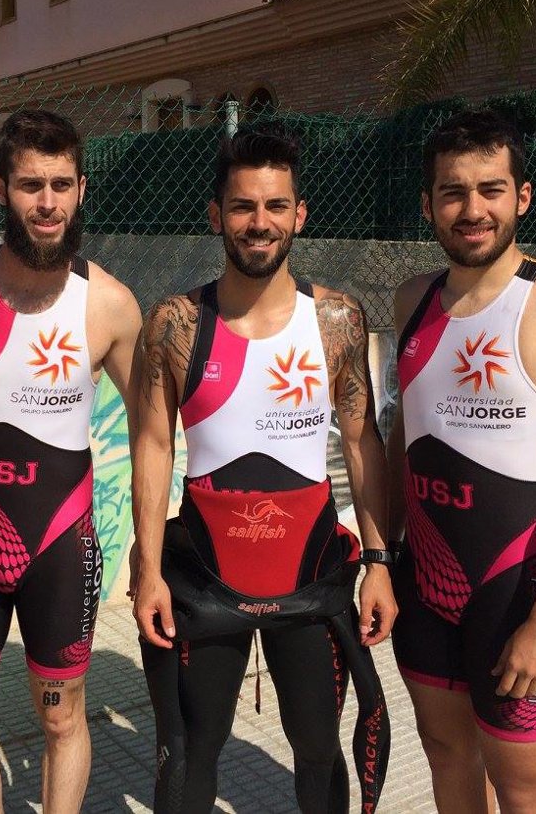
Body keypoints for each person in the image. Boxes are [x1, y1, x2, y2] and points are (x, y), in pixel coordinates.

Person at [131, 122, 397, 814]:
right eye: (243, 206)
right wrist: (149, 570)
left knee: (317, 746)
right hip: (206, 577)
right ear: (216, 215)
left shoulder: (336, 320)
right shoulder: (175, 323)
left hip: (308, 576)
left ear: (299, 214)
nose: (260, 222)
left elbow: (362, 442)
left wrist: (378, 563)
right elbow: (153, 448)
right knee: (191, 749)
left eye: (276, 205)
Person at [388, 110, 536, 812]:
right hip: (423, 582)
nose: (473, 210)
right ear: (428, 203)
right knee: (447, 755)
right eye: (453, 192)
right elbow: (405, 433)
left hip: (517, 591)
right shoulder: (412, 300)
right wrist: (380, 558)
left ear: (522, 196)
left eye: (491, 189)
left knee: (524, 789)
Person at [0, 109, 141, 813]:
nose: (47, 203)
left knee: (61, 720)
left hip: (59, 545)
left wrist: (157, 544)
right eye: (29, 185)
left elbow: (155, 431)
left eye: (61, 185)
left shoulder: (110, 305)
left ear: (81, 190)